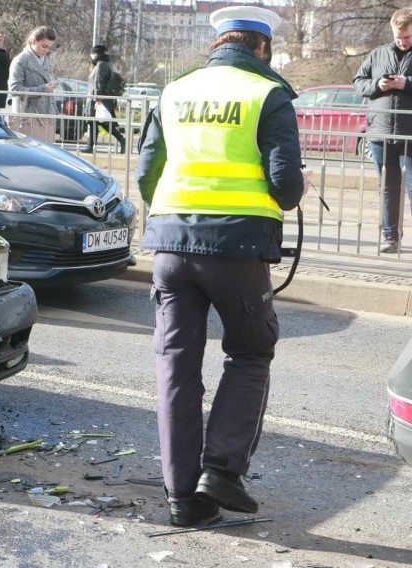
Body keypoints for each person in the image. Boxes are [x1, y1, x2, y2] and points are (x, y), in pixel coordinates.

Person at [136, 5, 307, 527]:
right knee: (251, 351)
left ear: (216, 44)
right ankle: (222, 470)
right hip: (235, 249)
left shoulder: (174, 91)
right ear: (262, 47)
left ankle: (182, 501)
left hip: (170, 244)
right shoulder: (268, 93)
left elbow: (147, 172)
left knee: (176, 367)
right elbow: (285, 187)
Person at [353, 6, 412, 254]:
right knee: (388, 187)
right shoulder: (378, 54)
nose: (402, 41)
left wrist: (408, 83)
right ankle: (390, 236)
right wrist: (378, 84)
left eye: (407, 37)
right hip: (381, 132)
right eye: (398, 37)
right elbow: (359, 82)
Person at [8, 26, 58, 142]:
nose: (46, 50)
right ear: (34, 40)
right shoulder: (20, 60)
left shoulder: (47, 60)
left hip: (47, 115)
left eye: (49, 48)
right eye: (44, 46)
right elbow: (15, 89)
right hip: (27, 116)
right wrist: (42, 89)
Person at [81, 44, 126, 154]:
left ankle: (120, 139)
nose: (91, 55)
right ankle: (91, 146)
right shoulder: (106, 64)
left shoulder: (101, 65)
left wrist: (98, 98)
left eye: (93, 53)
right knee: (96, 122)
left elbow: (98, 82)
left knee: (98, 122)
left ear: (97, 54)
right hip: (100, 98)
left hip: (97, 99)